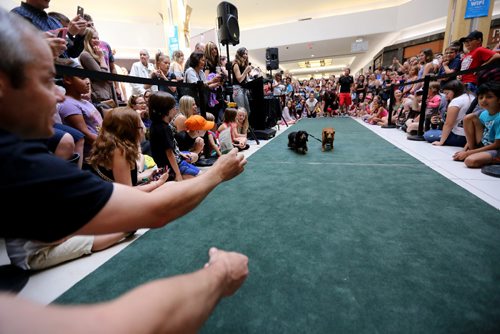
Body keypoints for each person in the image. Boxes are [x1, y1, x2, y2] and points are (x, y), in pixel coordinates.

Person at [0, 10, 248, 332]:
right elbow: (154, 212)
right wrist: (220, 275)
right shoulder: (19, 164)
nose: (60, 93)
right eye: (47, 80)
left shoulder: (19, 157)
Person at [148, 91, 201, 181]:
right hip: (171, 167)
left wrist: (180, 154)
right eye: (173, 108)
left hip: (176, 160)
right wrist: (178, 174)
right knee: (198, 180)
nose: (175, 110)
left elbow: (171, 147)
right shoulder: (163, 128)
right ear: (165, 110)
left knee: (200, 173)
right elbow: (169, 153)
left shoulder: (159, 125)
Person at [452, 82, 500, 168]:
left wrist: (468, 154)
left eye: (489, 97)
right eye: (481, 97)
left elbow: (497, 145)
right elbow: (474, 134)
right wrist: (465, 150)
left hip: (496, 149)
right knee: (468, 117)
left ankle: (495, 159)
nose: (484, 100)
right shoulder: (484, 114)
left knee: (470, 161)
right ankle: (473, 150)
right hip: (485, 143)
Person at [432, 80, 473, 147]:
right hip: (472, 137)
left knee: (428, 134)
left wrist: (441, 142)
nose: (445, 96)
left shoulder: (456, 101)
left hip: (459, 137)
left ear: (455, 91)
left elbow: (448, 124)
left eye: (447, 93)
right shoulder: (471, 96)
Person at [459, 30, 500, 94]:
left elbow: (497, 55)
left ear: (479, 40)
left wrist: (483, 65)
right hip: (463, 83)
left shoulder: (479, 49)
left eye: (469, 40)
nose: (466, 43)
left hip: (472, 83)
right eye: (465, 42)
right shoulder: (466, 55)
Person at [232, 47, 253, 116]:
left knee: (247, 111)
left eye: (247, 54)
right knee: (242, 112)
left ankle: (245, 126)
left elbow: (245, 78)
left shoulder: (243, 64)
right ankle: (240, 127)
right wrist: (246, 71)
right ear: (240, 54)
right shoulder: (236, 64)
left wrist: (249, 72)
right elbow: (239, 79)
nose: (246, 55)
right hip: (237, 89)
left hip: (243, 89)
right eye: (244, 53)